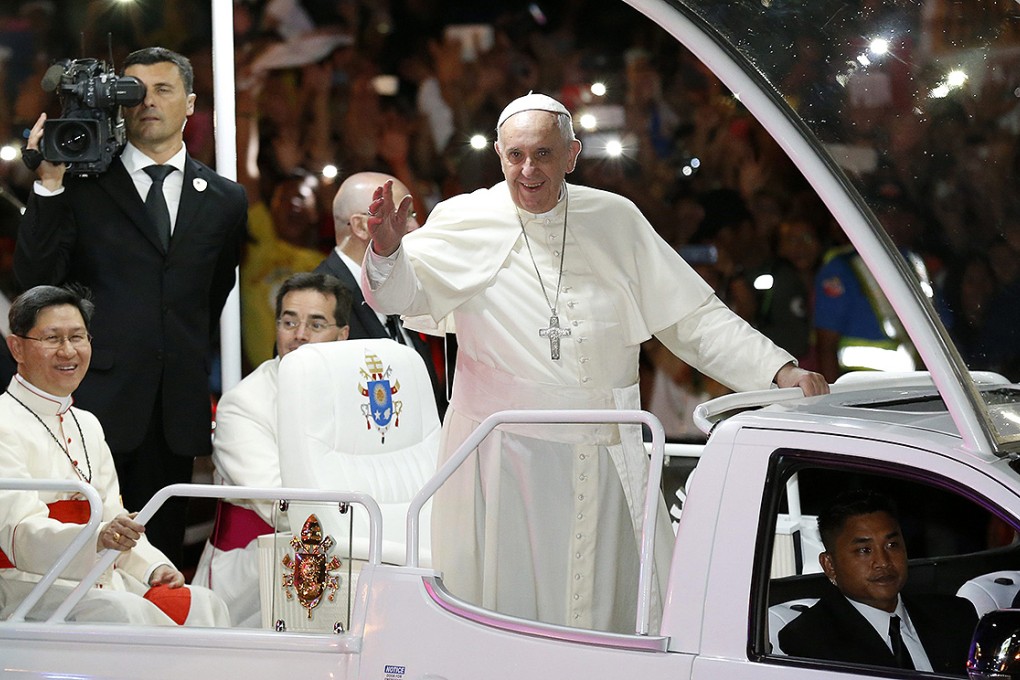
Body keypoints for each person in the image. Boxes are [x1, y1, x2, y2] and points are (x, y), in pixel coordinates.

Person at [360, 92, 829, 633]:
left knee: (610, 614)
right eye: (515, 155)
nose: (528, 169)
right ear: (499, 156)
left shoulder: (614, 218)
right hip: (505, 461)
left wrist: (778, 371)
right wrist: (388, 253)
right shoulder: (467, 218)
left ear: (572, 155)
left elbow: (692, 318)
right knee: (511, 615)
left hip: (606, 454)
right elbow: (403, 295)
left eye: (543, 154)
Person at [15, 47, 248, 564]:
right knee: (83, 563)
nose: (148, 101)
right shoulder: (80, 187)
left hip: (175, 412)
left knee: (162, 565)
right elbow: (35, 284)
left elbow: (212, 295)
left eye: (163, 89)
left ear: (190, 104)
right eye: (135, 91)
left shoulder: (226, 199)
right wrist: (48, 185)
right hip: (93, 408)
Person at [0, 285, 229, 626]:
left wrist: (153, 566)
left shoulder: (87, 424)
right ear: (17, 347)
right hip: (25, 585)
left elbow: (114, 518)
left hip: (96, 577)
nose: (68, 351)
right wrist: (97, 538)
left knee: (204, 604)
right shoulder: (4, 421)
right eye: (52, 338)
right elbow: (18, 534)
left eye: (77, 337)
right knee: (123, 614)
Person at [193, 272, 351, 627]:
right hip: (255, 570)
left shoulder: (354, 393)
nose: (299, 335)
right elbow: (284, 507)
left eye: (316, 324)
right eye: (289, 322)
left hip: (343, 549)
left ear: (342, 335)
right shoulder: (244, 404)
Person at [777, 489, 978, 674]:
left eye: (892, 545)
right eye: (864, 550)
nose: (883, 562)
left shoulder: (955, 616)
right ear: (829, 565)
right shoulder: (811, 640)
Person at [317, 171, 446, 414]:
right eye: (401, 216)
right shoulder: (318, 298)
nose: (415, 227)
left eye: (413, 215)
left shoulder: (405, 286)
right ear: (360, 226)